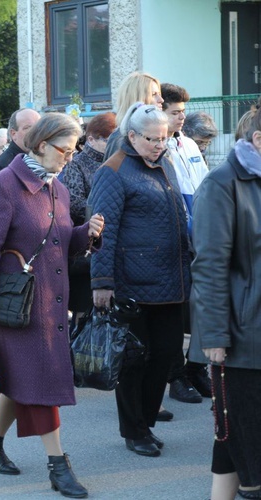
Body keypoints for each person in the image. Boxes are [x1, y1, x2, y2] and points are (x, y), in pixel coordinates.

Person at [0, 112, 101, 499]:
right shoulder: (5, 185)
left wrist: (85, 234)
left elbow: (58, 239)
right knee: (40, 383)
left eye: (74, 151)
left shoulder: (55, 186)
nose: (70, 158)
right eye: (65, 150)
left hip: (50, 305)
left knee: (15, 381)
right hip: (17, 307)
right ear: (41, 145)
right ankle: (59, 467)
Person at [89, 103, 191, 458]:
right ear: (132, 136)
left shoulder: (166, 162)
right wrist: (102, 281)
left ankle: (145, 423)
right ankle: (134, 430)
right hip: (132, 281)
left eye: (164, 138)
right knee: (135, 360)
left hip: (171, 280)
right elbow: (102, 229)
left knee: (165, 354)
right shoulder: (113, 170)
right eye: (152, 139)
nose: (159, 144)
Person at [190, 108, 261, 500]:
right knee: (248, 448)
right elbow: (210, 265)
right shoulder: (222, 184)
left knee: (232, 438)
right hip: (243, 340)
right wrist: (214, 336)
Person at [159, 83, 212, 405]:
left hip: (200, 234)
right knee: (178, 315)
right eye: (174, 112)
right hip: (174, 239)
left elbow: (203, 184)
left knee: (201, 309)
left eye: (182, 113)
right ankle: (176, 376)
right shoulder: (156, 147)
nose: (181, 118)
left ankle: (196, 369)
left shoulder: (189, 144)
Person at [60, 111, 116, 315]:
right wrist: (107, 214)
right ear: (91, 139)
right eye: (108, 140)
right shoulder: (77, 163)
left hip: (109, 242)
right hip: (86, 246)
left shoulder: (116, 161)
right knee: (85, 314)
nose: (113, 145)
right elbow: (74, 202)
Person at [103, 72, 164, 160]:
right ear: (137, 98)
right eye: (154, 94)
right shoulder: (120, 139)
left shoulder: (160, 133)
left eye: (159, 94)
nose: (161, 100)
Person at [0, 108, 41, 183]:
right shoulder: (3, 165)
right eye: (28, 128)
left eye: (39, 127)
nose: (36, 132)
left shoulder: (46, 158)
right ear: (13, 134)